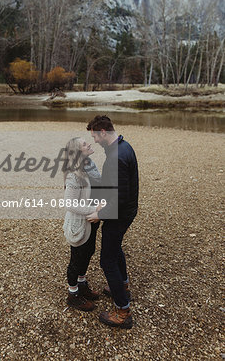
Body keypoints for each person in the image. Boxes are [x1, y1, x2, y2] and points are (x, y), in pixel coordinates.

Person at [86, 115, 139, 328]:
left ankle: (123, 311)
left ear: (104, 132)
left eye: (95, 136)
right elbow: (116, 188)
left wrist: (101, 213)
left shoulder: (116, 156)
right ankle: (123, 286)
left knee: (107, 260)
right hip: (124, 212)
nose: (95, 141)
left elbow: (121, 196)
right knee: (116, 250)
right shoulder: (123, 146)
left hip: (120, 215)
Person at [62, 137, 102, 311]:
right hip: (80, 223)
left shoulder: (90, 166)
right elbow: (69, 204)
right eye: (85, 144)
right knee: (76, 259)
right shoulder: (73, 174)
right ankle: (73, 294)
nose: (89, 145)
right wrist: (94, 209)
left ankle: (82, 284)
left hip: (92, 220)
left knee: (88, 252)